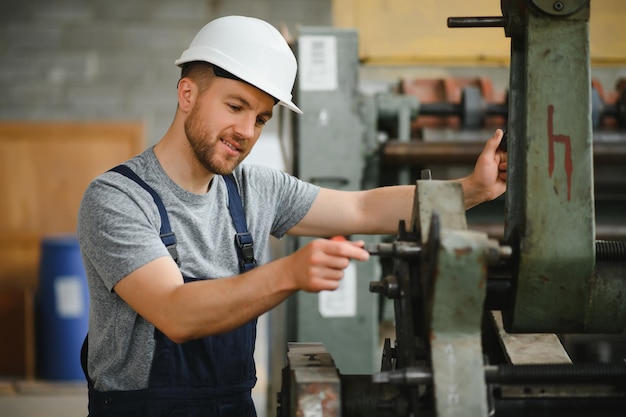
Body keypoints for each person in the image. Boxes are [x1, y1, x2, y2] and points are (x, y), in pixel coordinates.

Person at [77, 15, 507, 417]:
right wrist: (289, 273)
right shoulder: (116, 198)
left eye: (261, 118)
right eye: (235, 106)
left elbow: (359, 207)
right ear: (187, 93)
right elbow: (176, 314)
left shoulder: (254, 189)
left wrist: (470, 191)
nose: (247, 131)